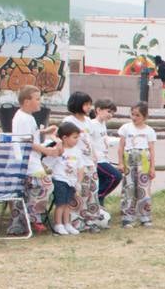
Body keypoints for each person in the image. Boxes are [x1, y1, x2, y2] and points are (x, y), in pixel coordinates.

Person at [9, 85, 61, 236]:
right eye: (37, 99)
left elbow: (30, 135)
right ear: (26, 101)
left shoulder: (25, 117)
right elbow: (27, 141)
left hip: (27, 162)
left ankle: (22, 221)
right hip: (29, 162)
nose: (40, 102)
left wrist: (43, 131)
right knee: (45, 185)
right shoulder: (24, 118)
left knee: (27, 192)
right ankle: (33, 217)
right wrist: (46, 150)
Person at [61, 91, 109, 232]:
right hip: (76, 162)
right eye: (86, 104)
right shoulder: (69, 121)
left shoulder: (88, 121)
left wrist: (94, 157)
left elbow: (90, 140)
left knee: (91, 192)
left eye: (90, 104)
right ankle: (75, 220)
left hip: (89, 162)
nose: (89, 107)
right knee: (79, 192)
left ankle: (91, 219)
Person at [117, 102, 157, 228]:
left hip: (143, 162)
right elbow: (121, 146)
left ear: (144, 117)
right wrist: (120, 162)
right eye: (133, 114)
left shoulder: (149, 131)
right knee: (129, 189)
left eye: (138, 115)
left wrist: (152, 167)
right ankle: (127, 217)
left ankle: (145, 216)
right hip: (129, 161)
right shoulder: (126, 128)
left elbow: (151, 150)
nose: (134, 118)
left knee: (144, 190)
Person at [44, 122, 85, 236]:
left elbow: (80, 167)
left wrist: (79, 182)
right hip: (60, 180)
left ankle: (67, 223)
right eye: (74, 137)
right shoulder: (59, 150)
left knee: (67, 204)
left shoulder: (77, 151)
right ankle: (58, 224)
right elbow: (47, 163)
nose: (77, 140)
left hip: (72, 181)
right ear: (64, 138)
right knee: (60, 203)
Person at [87, 99, 122, 202]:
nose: (110, 115)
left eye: (112, 113)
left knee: (103, 181)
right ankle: (97, 197)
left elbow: (105, 140)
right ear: (98, 110)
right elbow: (88, 141)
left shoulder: (103, 124)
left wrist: (122, 140)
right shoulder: (92, 124)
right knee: (115, 176)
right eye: (108, 111)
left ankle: (98, 205)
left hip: (104, 158)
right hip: (97, 160)